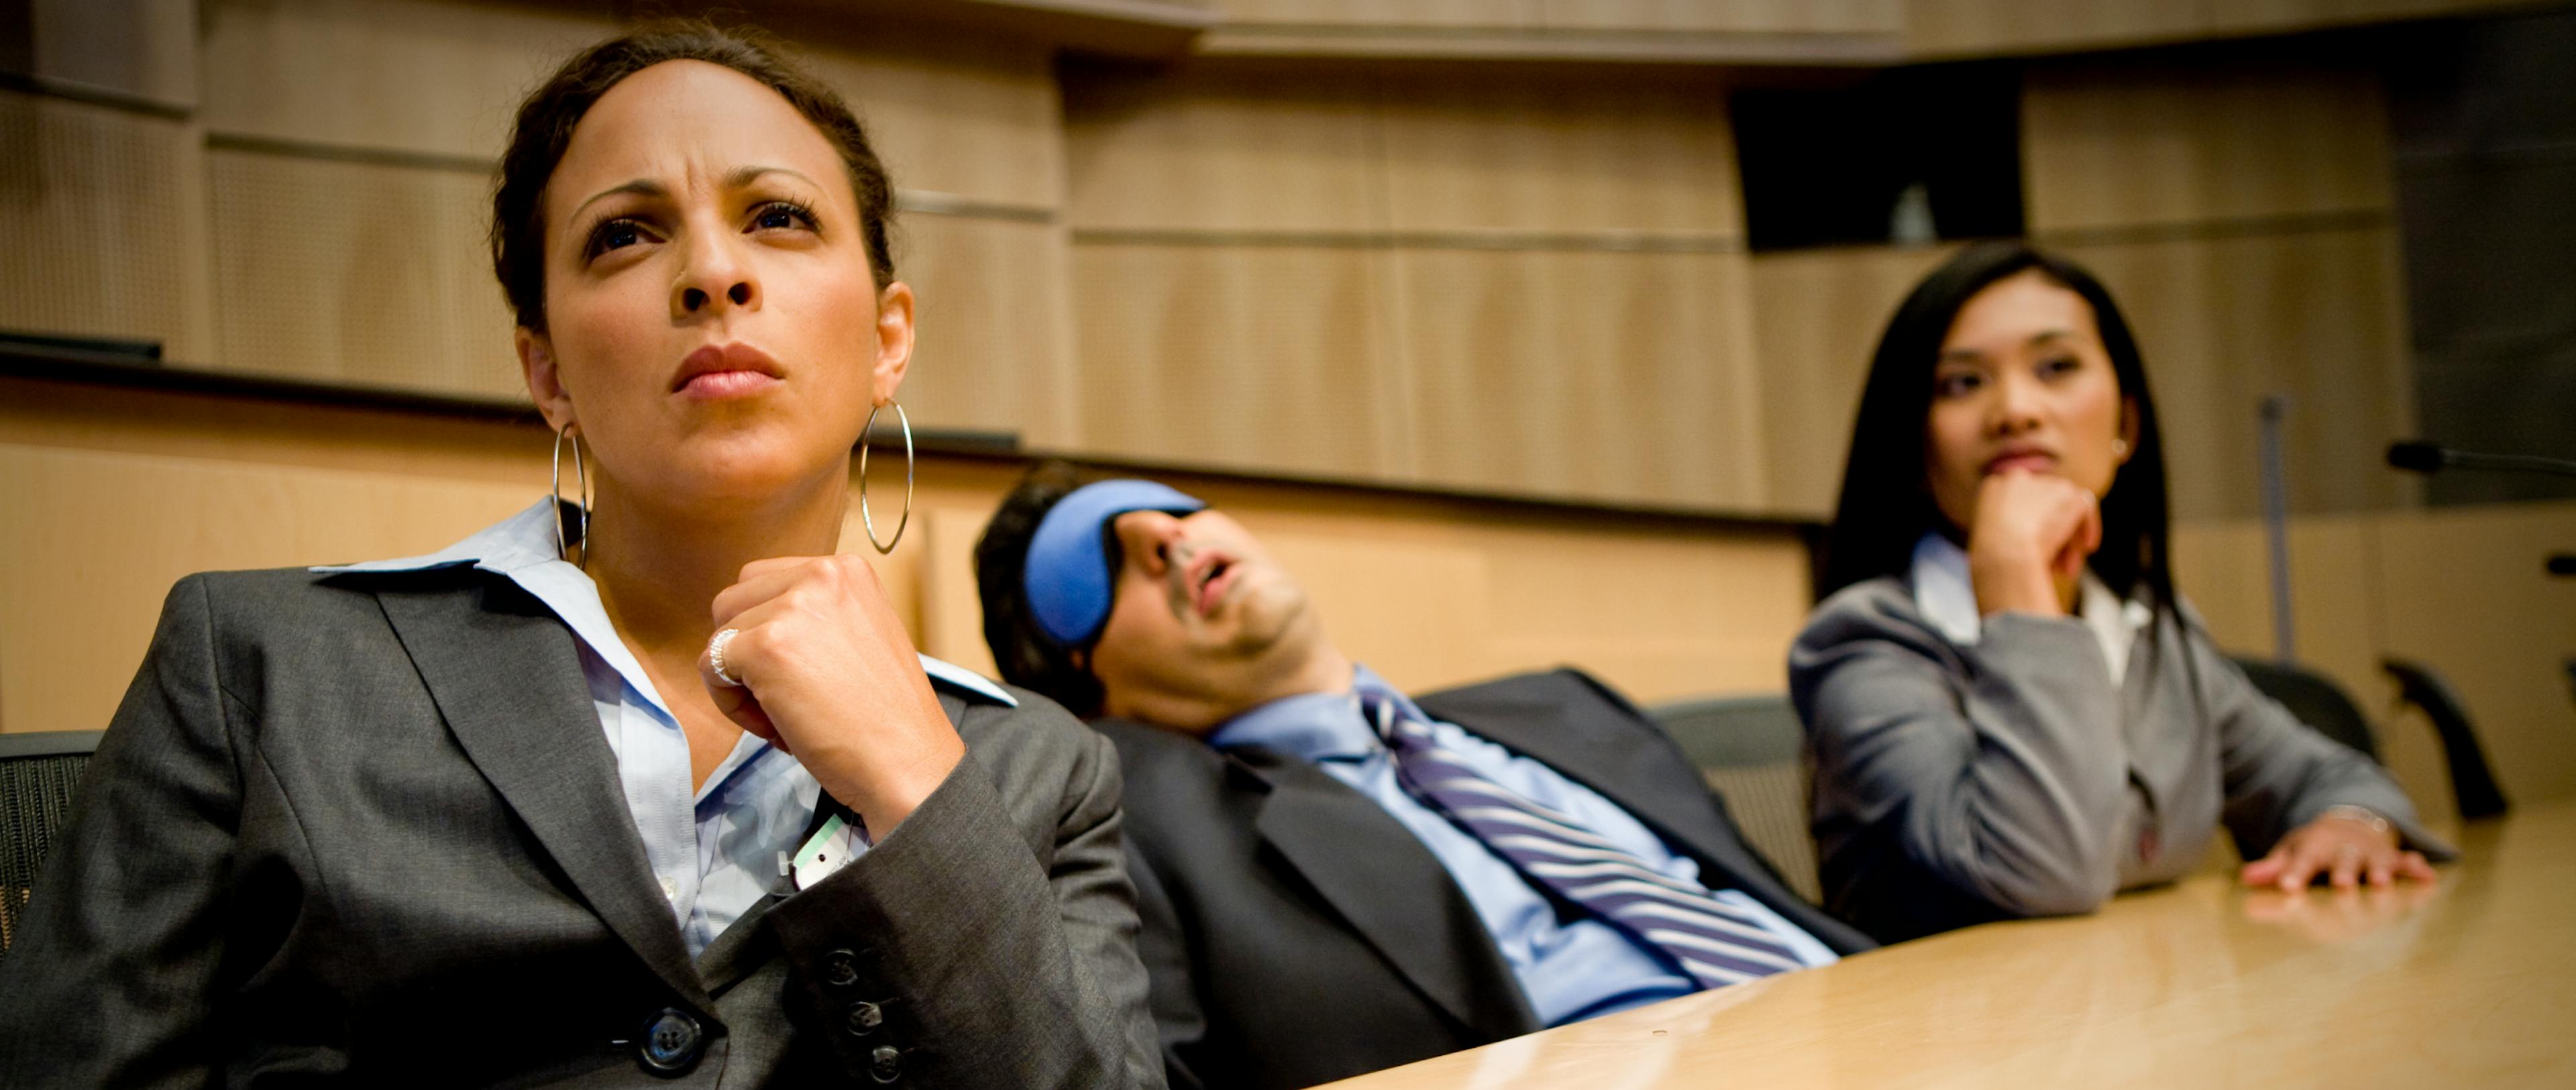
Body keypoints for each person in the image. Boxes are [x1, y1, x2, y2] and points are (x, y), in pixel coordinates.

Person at [0, 23, 1158, 1087]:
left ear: (888, 340)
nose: (713, 274)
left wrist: (914, 784)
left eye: (780, 218)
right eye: (625, 235)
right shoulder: (257, 663)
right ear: (547, 369)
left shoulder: (1039, 771)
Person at [972, 463, 1873, 1090]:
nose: (1158, 534)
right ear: (1094, 700)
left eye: (1170, 504)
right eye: (1088, 575)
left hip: (1882, 1022)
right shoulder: (1153, 841)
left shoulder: (1564, 703)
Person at [1791, 241, 2452, 944]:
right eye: (1961, 383)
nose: (2015, 410)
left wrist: (2354, 823)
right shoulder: (1864, 644)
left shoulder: (2148, 626)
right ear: (1915, 449)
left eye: (2056, 367)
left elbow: (2330, 776)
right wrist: (2014, 582)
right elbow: (2044, 871)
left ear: (2126, 427)